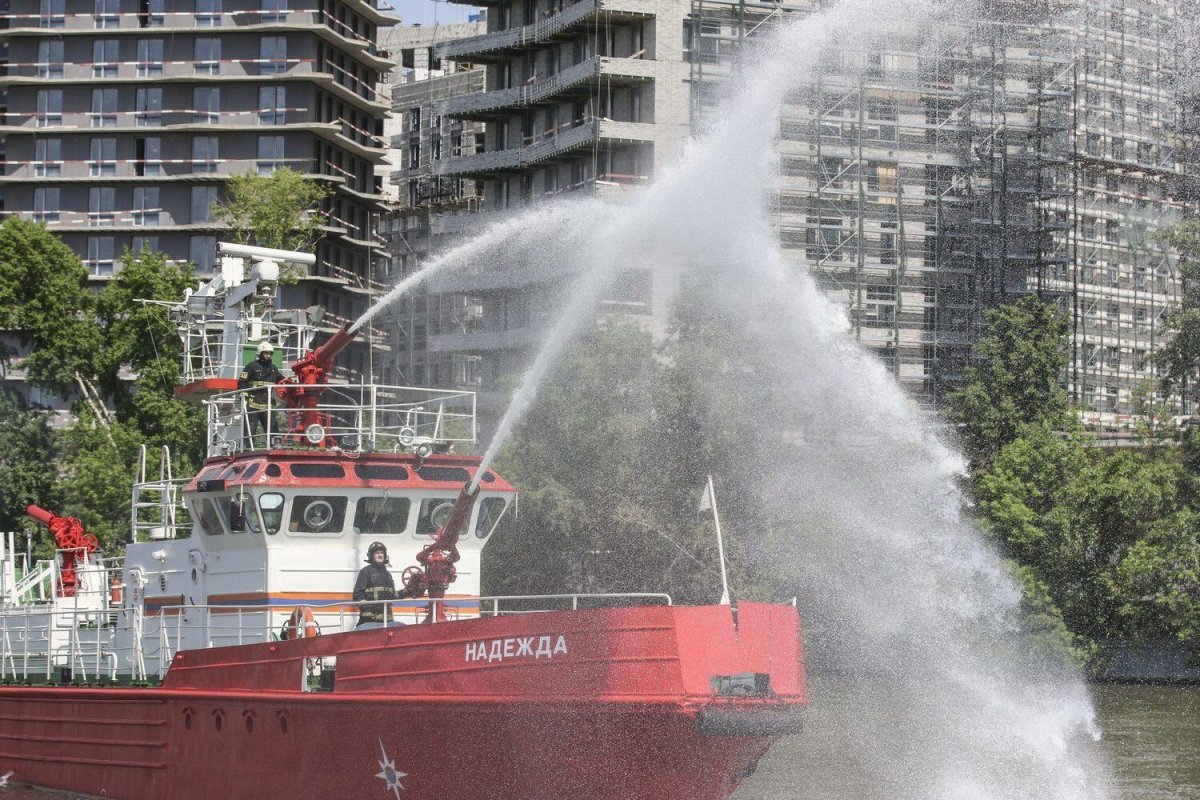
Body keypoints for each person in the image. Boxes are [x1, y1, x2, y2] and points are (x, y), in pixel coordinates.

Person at [238, 341, 284, 448]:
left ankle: (276, 446)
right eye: (266, 353)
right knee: (250, 427)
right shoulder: (251, 367)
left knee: (272, 426)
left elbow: (281, 380)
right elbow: (241, 382)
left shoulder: (273, 368)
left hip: (267, 404)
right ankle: (247, 448)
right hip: (252, 403)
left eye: (270, 353)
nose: (268, 355)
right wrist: (243, 396)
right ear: (260, 353)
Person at [353, 541, 396, 628]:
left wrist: (407, 591)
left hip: (388, 622)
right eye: (377, 553)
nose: (380, 555)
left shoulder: (387, 574)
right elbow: (357, 596)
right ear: (372, 556)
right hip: (368, 622)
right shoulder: (365, 572)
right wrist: (372, 610)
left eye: (381, 553)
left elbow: (393, 595)